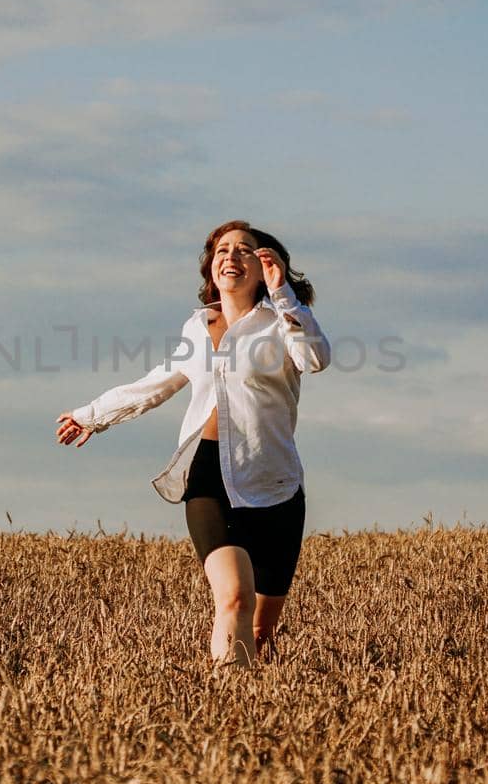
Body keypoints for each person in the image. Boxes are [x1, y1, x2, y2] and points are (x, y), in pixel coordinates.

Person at [55, 219, 330, 668]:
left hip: (274, 483)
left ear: (265, 268)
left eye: (245, 250)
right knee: (235, 600)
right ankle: (227, 709)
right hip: (206, 478)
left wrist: (285, 297)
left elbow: (314, 359)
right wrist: (93, 415)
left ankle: (264, 716)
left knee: (261, 631)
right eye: (223, 250)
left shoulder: (282, 323)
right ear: (211, 267)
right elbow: (157, 383)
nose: (232, 256)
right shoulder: (197, 328)